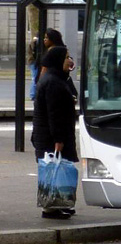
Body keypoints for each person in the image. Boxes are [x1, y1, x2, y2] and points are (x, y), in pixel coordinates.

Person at [32, 46, 78, 219]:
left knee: (54, 170)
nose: (69, 60)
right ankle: (51, 207)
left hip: (47, 135)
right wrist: (58, 139)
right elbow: (54, 114)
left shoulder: (54, 79)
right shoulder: (53, 82)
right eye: (66, 57)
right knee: (53, 170)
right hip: (51, 137)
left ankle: (57, 204)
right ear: (58, 60)